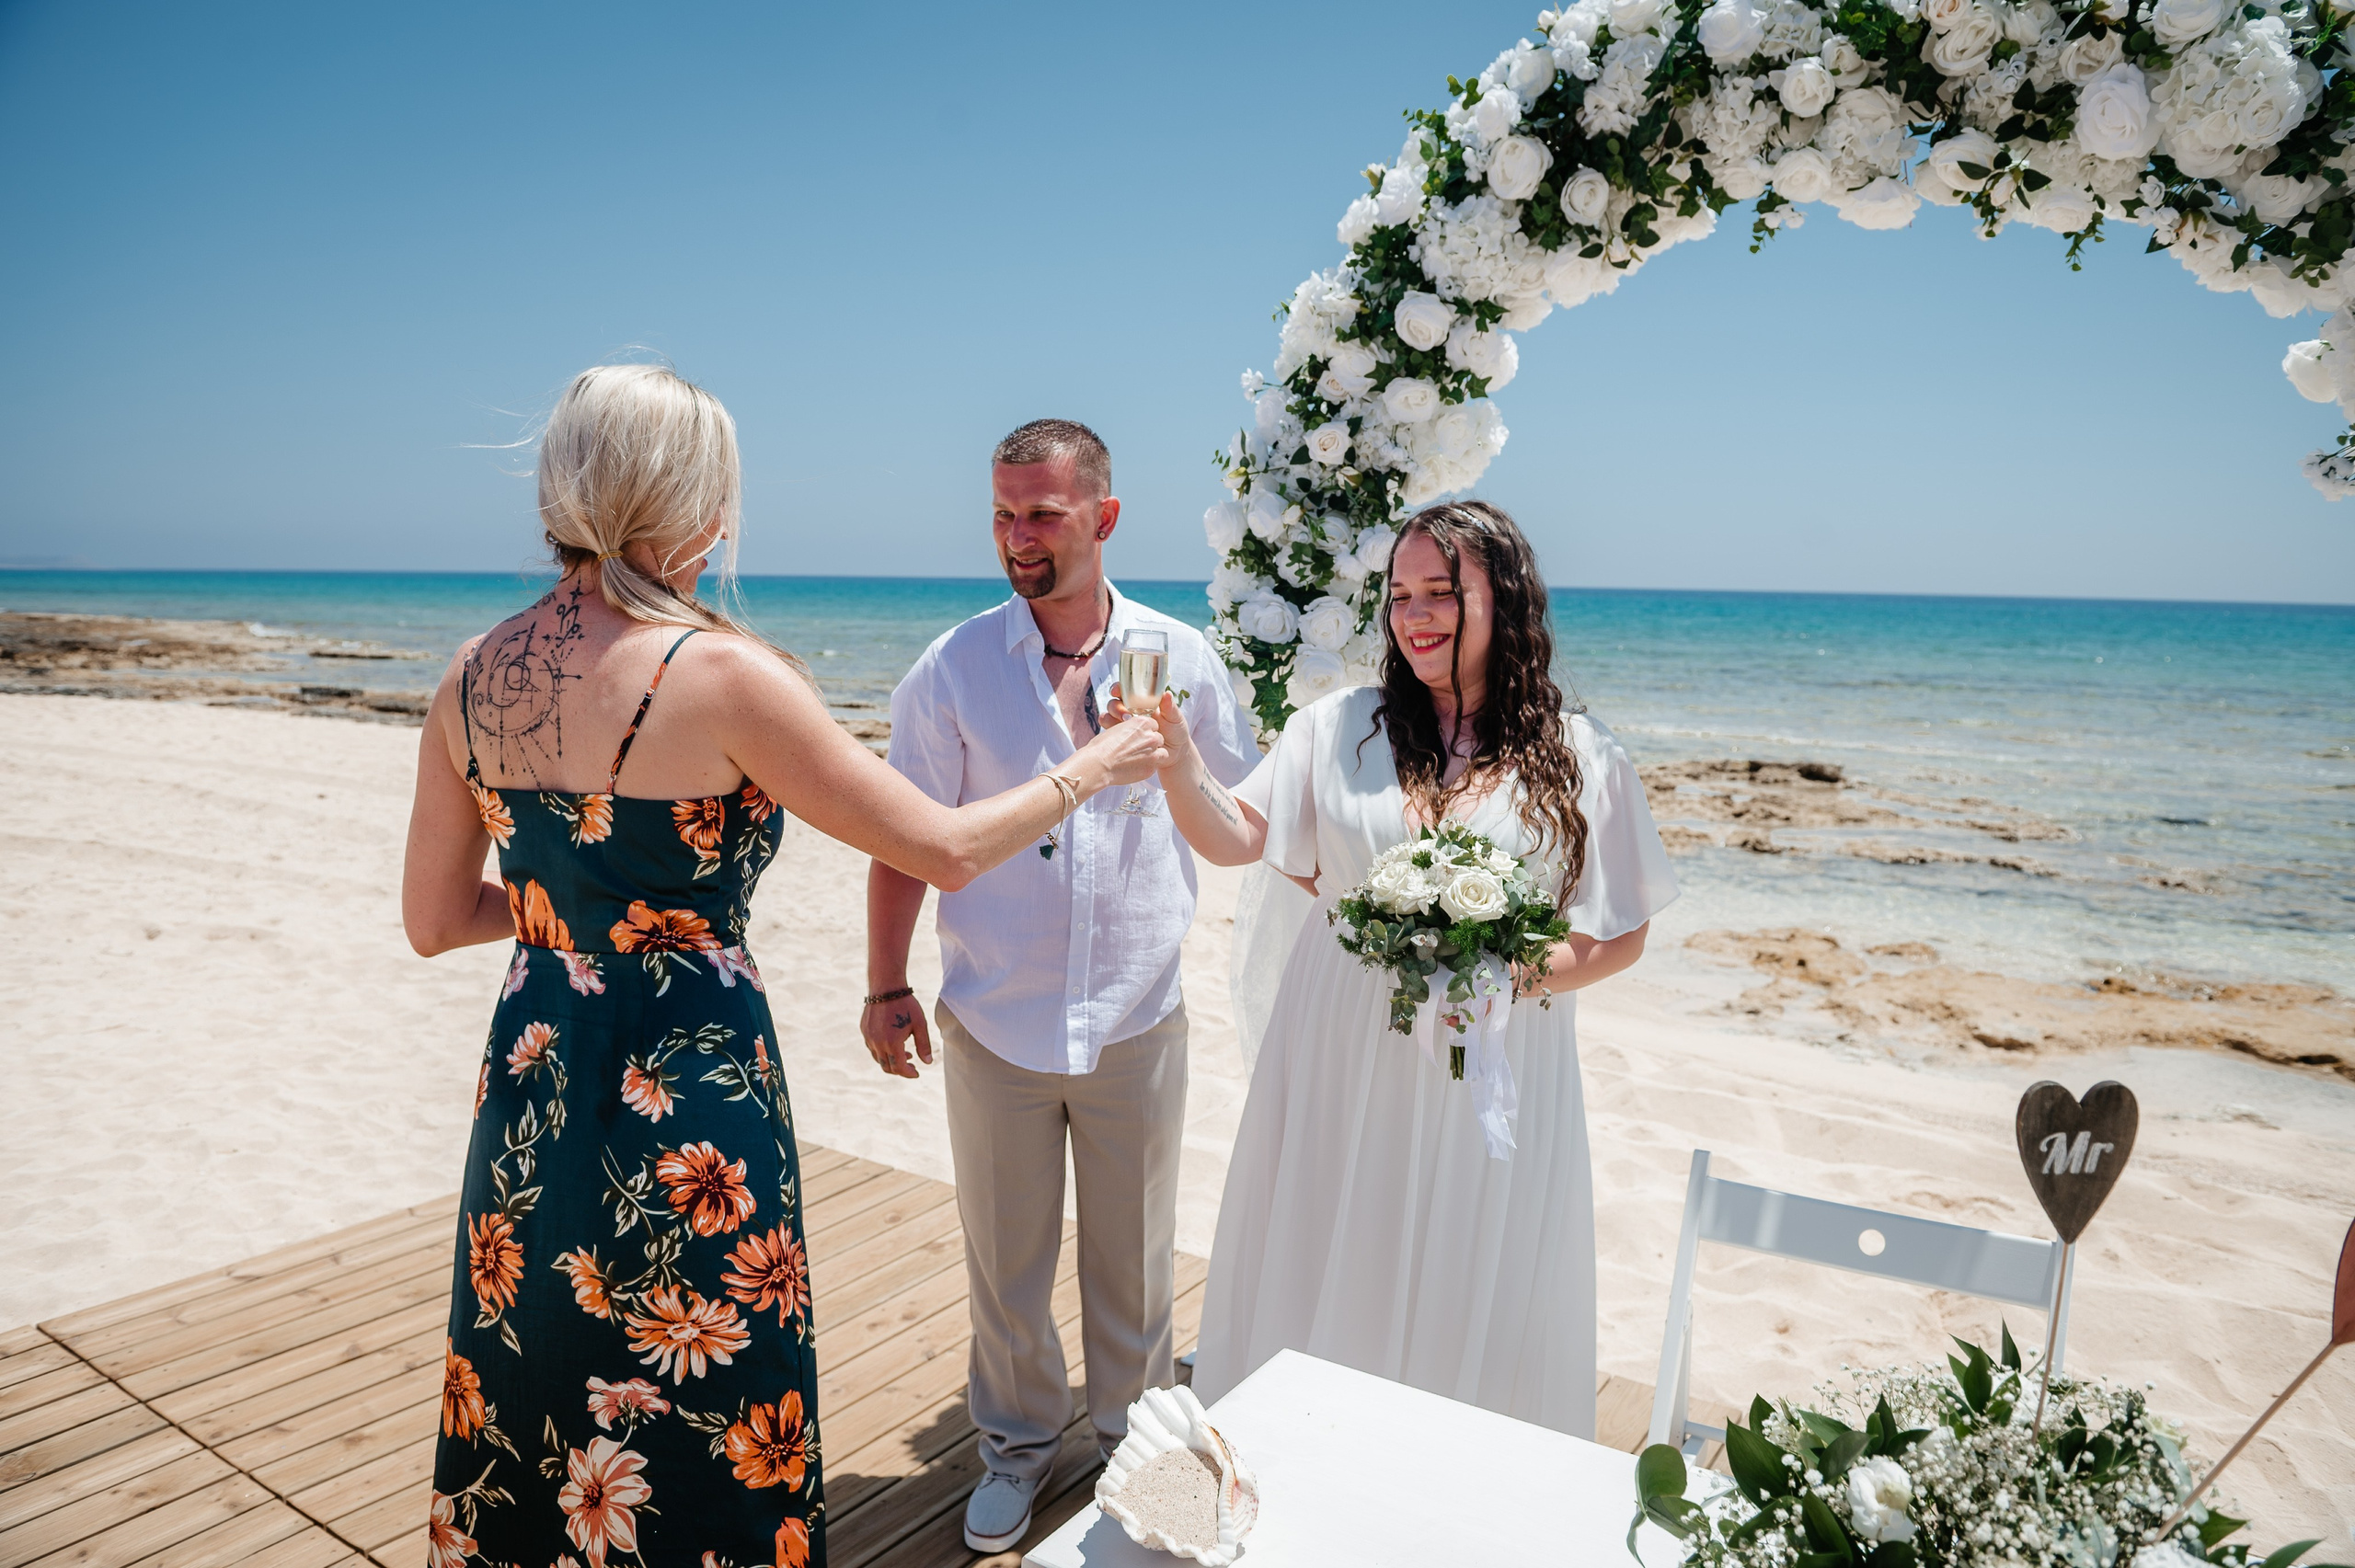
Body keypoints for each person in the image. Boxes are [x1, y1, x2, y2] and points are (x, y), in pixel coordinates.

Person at [402, 367, 1168, 1568]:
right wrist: (1096, 765)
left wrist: (581, 908)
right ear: (689, 503)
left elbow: (437, 917)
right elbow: (944, 847)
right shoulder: (721, 675)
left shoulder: (471, 674)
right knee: (700, 1382)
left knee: (537, 1375)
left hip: (537, 1081)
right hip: (689, 1095)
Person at [1137, 498, 1678, 1436]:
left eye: (1440, 592)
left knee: (1475, 1262)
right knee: (1335, 1237)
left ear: (1503, 600)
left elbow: (1618, 930)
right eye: (1398, 595)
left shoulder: (1581, 755)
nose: (1414, 616)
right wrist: (1178, 759)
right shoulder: (1336, 727)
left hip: (1495, 1056)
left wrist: (1503, 975)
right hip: (1345, 1040)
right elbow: (1237, 837)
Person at [860, 418, 1259, 1552]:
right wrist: (885, 985)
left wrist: (1176, 756)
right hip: (993, 1016)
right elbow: (906, 841)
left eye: (1041, 513)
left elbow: (1237, 829)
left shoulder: (1182, 655)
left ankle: (1135, 1458)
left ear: (1104, 516)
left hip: (1139, 1013)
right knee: (1007, 1260)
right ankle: (1015, 1453)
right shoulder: (952, 666)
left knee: (1134, 1263)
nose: (1016, 536)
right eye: (1001, 513)